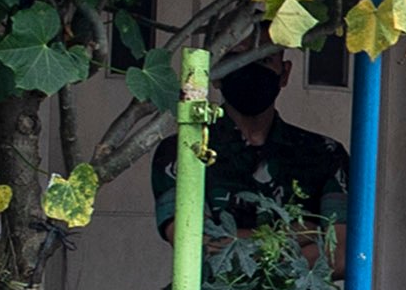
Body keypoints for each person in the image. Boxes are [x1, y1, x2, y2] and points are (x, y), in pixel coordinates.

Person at [149, 55, 352, 238]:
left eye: (264, 60)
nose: (249, 70)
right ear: (216, 73)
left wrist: (232, 238)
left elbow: (340, 255)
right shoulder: (184, 150)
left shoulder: (325, 153)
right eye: (237, 59)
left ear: (285, 73)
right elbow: (194, 245)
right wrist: (297, 236)